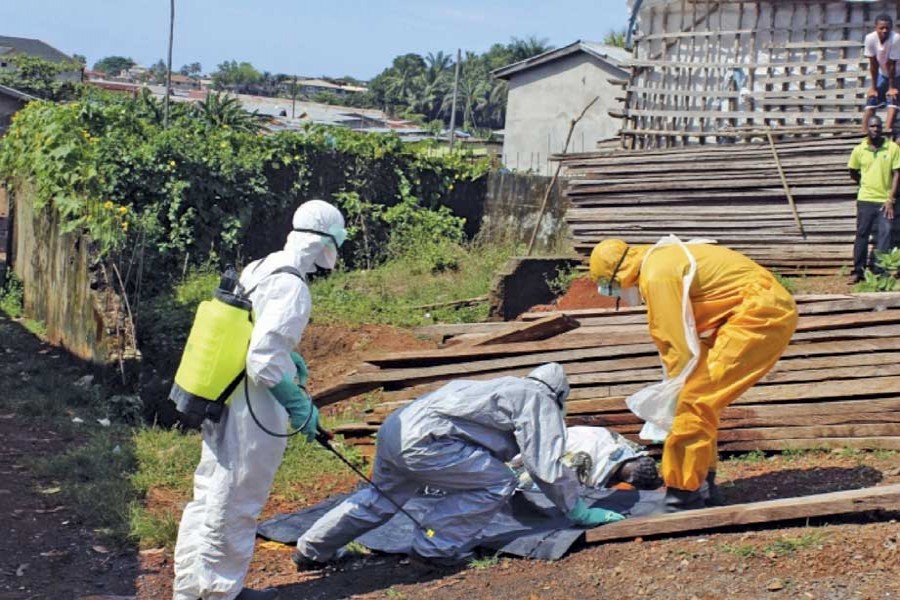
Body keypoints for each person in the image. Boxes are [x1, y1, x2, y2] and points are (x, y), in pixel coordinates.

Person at [172, 199, 347, 600]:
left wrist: (291, 356)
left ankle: (191, 588)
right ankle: (220, 592)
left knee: (210, 491)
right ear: (325, 244)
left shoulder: (262, 266)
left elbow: (252, 329)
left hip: (223, 395)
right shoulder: (293, 285)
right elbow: (263, 360)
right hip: (252, 406)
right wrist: (297, 402)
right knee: (238, 499)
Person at [292, 363, 625, 570]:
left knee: (380, 498)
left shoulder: (502, 387)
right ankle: (434, 549)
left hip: (396, 430)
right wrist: (577, 509)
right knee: (497, 483)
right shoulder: (537, 399)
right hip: (428, 442)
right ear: (560, 396)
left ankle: (311, 550)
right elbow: (545, 465)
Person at [589, 237, 797, 512]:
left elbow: (673, 341)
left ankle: (683, 496)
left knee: (693, 402)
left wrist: (673, 392)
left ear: (618, 274)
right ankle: (703, 487)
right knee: (700, 402)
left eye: (611, 287)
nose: (615, 293)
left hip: (758, 317)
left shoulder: (657, 275)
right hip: (757, 312)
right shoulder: (661, 259)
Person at [848, 115, 900, 284]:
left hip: (885, 201)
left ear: (882, 128)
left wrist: (890, 198)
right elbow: (853, 171)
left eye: (878, 126)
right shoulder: (859, 150)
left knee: (885, 235)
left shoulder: (892, 148)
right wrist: (865, 184)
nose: (875, 129)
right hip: (865, 200)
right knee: (862, 235)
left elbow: (897, 173)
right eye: (872, 126)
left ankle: (880, 273)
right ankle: (858, 271)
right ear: (867, 129)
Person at [863, 14, 900, 133]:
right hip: (882, 73)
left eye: (887, 28)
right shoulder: (870, 38)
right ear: (876, 27)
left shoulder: (896, 39)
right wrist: (873, 87)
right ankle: (864, 135)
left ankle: (887, 132)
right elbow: (873, 64)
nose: (884, 30)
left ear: (891, 28)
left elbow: (892, 65)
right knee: (872, 99)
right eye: (881, 28)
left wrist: (891, 87)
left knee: (893, 98)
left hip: (897, 74)